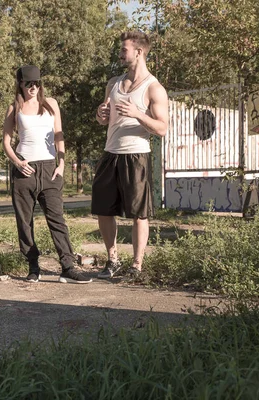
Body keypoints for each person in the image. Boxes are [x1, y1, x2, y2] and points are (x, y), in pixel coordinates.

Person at [2, 65, 91, 284]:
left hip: (50, 169)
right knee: (25, 221)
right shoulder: (14, 107)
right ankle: (33, 266)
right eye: (29, 83)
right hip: (25, 170)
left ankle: (68, 266)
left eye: (37, 83)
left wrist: (61, 164)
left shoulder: (51, 104)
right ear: (20, 84)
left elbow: (59, 136)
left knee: (57, 219)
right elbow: (6, 141)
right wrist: (17, 162)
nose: (34, 87)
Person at [93, 31, 169, 278]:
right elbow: (104, 117)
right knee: (104, 210)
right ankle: (112, 260)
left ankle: (136, 265)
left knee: (138, 214)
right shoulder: (113, 83)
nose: (120, 53)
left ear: (138, 52)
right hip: (110, 153)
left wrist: (138, 114)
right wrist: (100, 116)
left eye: (124, 49)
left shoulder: (154, 88)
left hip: (136, 155)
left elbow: (162, 128)